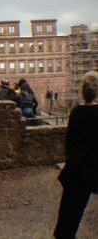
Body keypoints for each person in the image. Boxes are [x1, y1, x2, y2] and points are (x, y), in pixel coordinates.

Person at [53, 71, 98, 238]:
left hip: (75, 167)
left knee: (69, 210)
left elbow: (69, 141)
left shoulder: (76, 112)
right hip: (90, 169)